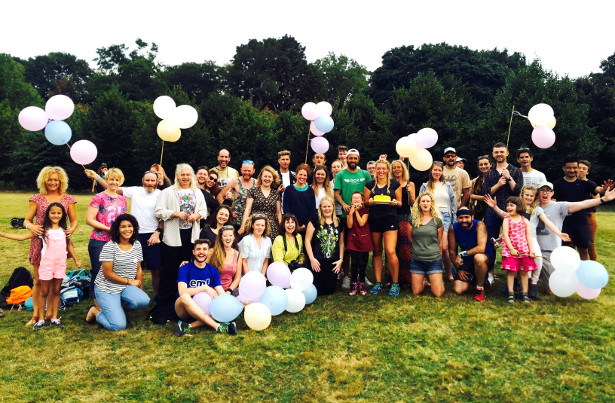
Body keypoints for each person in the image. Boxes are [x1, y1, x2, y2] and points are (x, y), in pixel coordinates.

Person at [87, 169, 163, 302]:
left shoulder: (161, 195)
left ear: (157, 181)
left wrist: (157, 232)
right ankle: (100, 299)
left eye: (152, 180)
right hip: (130, 235)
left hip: (151, 235)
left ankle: (153, 295)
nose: (150, 183)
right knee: (125, 267)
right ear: (142, 181)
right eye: (147, 180)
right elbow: (111, 187)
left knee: (155, 268)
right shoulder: (134, 191)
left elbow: (164, 216)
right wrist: (97, 177)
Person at [1, 203, 78, 328]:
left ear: (63, 215)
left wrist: (76, 260)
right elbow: (21, 237)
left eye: (59, 213)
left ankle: (54, 317)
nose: (56, 215)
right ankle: (41, 319)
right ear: (48, 214)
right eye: (53, 213)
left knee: (57, 290)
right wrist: (3, 234)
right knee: (44, 291)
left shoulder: (64, 230)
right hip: (46, 265)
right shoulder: (43, 230)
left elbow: (69, 245)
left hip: (60, 265)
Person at [22, 166, 77, 326]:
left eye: (56, 180)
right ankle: (35, 316)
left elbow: (73, 220)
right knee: (39, 281)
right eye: (50, 179)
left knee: (55, 281)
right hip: (40, 243)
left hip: (59, 243)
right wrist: (30, 226)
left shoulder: (68, 199)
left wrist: (72, 228)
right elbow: (26, 220)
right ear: (44, 180)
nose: (53, 182)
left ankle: (52, 314)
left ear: (61, 182)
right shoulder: (36, 198)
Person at [536, 182, 615, 290]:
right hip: (532, 250)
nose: (544, 193)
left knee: (549, 290)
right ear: (537, 193)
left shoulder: (559, 206)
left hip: (550, 251)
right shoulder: (531, 207)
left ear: (552, 193)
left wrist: (603, 199)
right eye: (541, 190)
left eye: (547, 191)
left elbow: (581, 204)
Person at [85, 214, 150, 331]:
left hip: (125, 286)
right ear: (117, 229)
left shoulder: (137, 245)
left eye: (130, 226)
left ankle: (119, 307)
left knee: (143, 300)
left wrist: (140, 288)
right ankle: (95, 312)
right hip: (107, 288)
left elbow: (138, 268)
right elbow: (107, 275)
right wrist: (129, 281)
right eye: (123, 227)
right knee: (118, 326)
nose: (127, 230)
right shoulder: (110, 247)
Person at [155, 164, 208, 304]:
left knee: (185, 268)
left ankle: (183, 300)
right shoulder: (168, 192)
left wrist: (196, 215)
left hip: (191, 235)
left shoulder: (197, 192)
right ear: (177, 176)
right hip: (173, 237)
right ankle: (166, 301)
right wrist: (174, 213)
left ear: (192, 176)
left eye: (188, 175)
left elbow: (204, 211)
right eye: (182, 175)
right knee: (170, 269)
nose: (185, 177)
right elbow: (158, 211)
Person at [173, 239, 237, 336]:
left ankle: (187, 326)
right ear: (193, 252)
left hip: (204, 309)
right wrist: (205, 288)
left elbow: (221, 293)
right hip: (184, 309)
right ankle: (217, 326)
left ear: (208, 252)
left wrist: (230, 304)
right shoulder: (185, 268)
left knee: (218, 307)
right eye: (198, 249)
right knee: (185, 296)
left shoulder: (213, 271)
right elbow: (182, 292)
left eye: (204, 249)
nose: (201, 252)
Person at [553, 157, 611, 260]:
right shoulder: (556, 184)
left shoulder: (586, 183)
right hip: (562, 222)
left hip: (580, 221)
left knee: (584, 250)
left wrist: (605, 189)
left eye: (575, 168)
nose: (572, 170)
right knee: (565, 251)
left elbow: (599, 190)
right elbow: (552, 202)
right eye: (569, 168)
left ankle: (586, 273)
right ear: (563, 168)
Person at [334, 149, 372, 288]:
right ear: (347, 159)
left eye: (355, 158)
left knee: (362, 246)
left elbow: (370, 191)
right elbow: (337, 193)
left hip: (363, 214)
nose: (353, 160)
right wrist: (344, 205)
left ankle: (362, 276)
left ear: (358, 159)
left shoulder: (365, 174)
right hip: (347, 215)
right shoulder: (341, 174)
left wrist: (364, 204)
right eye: (350, 158)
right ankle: (347, 276)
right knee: (348, 247)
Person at [365, 159, 402, 296]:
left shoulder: (395, 184)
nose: (380, 171)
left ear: (387, 170)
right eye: (378, 169)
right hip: (374, 220)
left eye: (383, 169)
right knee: (377, 252)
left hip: (390, 219)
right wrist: (368, 202)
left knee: (390, 251)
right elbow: (366, 204)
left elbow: (399, 203)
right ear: (374, 170)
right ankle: (379, 283)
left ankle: (395, 283)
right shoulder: (369, 185)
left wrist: (395, 202)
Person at [86, 168, 128, 290]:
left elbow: (122, 219)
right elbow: (89, 219)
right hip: (99, 240)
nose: (114, 182)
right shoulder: (99, 197)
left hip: (117, 241)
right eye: (111, 179)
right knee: (98, 272)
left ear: (120, 181)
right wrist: (108, 228)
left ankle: (112, 297)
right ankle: (96, 303)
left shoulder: (122, 199)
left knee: (115, 272)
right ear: (106, 179)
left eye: (117, 180)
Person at [482, 142, 523, 260]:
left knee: (512, 240)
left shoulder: (515, 171)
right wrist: (498, 184)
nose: (499, 154)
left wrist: (509, 178)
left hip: (511, 211)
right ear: (493, 154)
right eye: (496, 152)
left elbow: (518, 191)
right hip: (492, 211)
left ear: (507, 153)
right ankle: (491, 272)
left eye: (501, 152)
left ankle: (512, 270)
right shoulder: (489, 172)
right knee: (491, 241)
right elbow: (485, 193)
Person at [419, 162, 457, 281]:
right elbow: (420, 202)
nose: (437, 172)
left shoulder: (447, 186)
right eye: (435, 170)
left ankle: (449, 273)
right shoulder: (425, 186)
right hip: (429, 216)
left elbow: (453, 204)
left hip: (445, 216)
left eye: (439, 170)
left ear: (442, 172)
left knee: (444, 247)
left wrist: (453, 220)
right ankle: (431, 273)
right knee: (430, 246)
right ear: (431, 171)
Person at [448, 208, 493, 302]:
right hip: (467, 262)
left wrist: (461, 254)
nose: (464, 220)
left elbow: (481, 248)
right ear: (457, 218)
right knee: (458, 290)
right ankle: (480, 281)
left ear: (472, 217)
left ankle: (480, 289)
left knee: (478, 258)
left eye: (466, 217)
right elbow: (452, 252)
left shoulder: (479, 225)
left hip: (484, 258)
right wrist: (459, 270)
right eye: (461, 217)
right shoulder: (453, 228)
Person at [500, 197, 537, 303]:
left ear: (519, 206)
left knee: (524, 272)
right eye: (507, 205)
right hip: (510, 251)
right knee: (511, 272)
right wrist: (511, 249)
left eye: (511, 205)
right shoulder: (507, 220)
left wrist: (531, 250)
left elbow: (529, 236)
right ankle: (511, 293)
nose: (508, 207)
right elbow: (505, 236)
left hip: (523, 250)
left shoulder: (525, 221)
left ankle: (525, 293)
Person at [305, 197, 344, 295]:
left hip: (333, 262)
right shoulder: (314, 221)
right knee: (319, 291)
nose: (327, 209)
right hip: (318, 262)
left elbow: (341, 243)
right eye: (324, 207)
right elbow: (307, 240)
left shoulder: (339, 222)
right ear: (320, 208)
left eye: (329, 206)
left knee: (329, 291)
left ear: (333, 207)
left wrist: (340, 260)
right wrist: (312, 259)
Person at [408, 192, 445, 297]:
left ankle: (438, 282)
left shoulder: (437, 221)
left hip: (433, 259)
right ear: (419, 204)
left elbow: (440, 241)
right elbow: (410, 237)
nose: (425, 203)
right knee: (416, 292)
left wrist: (440, 256)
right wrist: (419, 247)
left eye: (428, 201)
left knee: (438, 293)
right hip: (417, 259)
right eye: (423, 201)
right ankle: (424, 281)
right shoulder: (413, 220)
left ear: (431, 203)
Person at [239, 166, 282, 239]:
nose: (267, 179)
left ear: (273, 179)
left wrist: (281, 228)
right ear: (261, 177)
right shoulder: (253, 191)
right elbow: (248, 209)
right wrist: (243, 226)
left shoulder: (276, 194)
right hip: (255, 225)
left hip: (271, 228)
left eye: (269, 177)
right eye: (265, 176)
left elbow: (278, 212)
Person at [391, 159, 415, 287]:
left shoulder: (410, 184)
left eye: (398, 167)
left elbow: (413, 203)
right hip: (392, 216)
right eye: (394, 167)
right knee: (393, 248)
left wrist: (410, 193)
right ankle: (393, 278)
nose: (396, 169)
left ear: (403, 169)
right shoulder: (390, 184)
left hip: (405, 217)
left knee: (406, 247)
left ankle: (408, 278)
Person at [345, 192, 373, 295]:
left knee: (362, 263)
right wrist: (351, 213)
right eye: (354, 198)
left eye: (358, 198)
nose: (356, 200)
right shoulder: (349, 211)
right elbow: (349, 225)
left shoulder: (365, 211)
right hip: (353, 240)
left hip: (364, 240)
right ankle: (353, 284)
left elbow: (361, 223)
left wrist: (356, 212)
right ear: (351, 201)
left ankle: (361, 284)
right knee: (354, 263)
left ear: (362, 200)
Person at [216, 160, 256, 226]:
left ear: (253, 171)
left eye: (249, 171)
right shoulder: (235, 182)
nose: (247, 173)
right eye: (245, 170)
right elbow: (220, 196)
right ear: (241, 170)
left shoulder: (257, 183)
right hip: (236, 221)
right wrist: (228, 211)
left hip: (251, 221)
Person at [283, 164, 317, 234]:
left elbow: (312, 210)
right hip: (292, 226)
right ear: (296, 175)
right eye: (300, 174)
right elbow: (286, 208)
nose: (302, 177)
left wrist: (306, 224)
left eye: (305, 175)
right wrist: (292, 223)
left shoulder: (310, 190)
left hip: (306, 227)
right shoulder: (289, 189)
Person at [207, 226, 242, 295]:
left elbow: (237, 278)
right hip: (212, 290)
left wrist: (229, 291)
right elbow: (202, 268)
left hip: (229, 290)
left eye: (230, 235)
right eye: (225, 236)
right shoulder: (212, 252)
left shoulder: (238, 254)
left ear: (234, 237)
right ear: (221, 238)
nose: (228, 238)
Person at [577, 160, 599, 260]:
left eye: (584, 169)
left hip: (588, 217)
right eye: (579, 167)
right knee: (571, 244)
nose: (581, 170)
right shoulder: (569, 183)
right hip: (572, 217)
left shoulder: (591, 185)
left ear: (587, 172)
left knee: (590, 244)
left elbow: (597, 200)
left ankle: (594, 267)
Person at [469, 155, 491, 221]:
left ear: (491, 165)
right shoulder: (475, 180)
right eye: (481, 165)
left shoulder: (495, 179)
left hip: (490, 210)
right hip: (477, 210)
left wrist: (475, 196)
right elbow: (471, 196)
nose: (483, 166)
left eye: (486, 164)